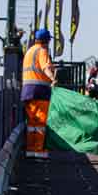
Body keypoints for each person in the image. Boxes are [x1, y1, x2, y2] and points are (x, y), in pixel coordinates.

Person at [21, 28, 56, 159]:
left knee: (32, 123)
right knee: (40, 122)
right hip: (40, 91)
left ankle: (30, 150)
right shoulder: (42, 51)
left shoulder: (29, 51)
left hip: (27, 91)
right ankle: (38, 151)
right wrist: (53, 78)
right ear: (47, 40)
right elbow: (45, 67)